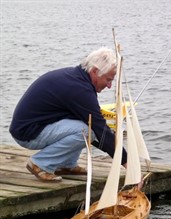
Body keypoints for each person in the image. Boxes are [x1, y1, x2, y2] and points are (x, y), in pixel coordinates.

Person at [9, 47, 128, 182]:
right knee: (88, 131)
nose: (109, 86)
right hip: (28, 134)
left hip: (30, 127)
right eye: (108, 79)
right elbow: (98, 128)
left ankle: (66, 164)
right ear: (95, 71)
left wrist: (110, 143)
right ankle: (40, 163)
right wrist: (126, 162)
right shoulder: (80, 89)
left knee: (87, 125)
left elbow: (97, 127)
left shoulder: (76, 79)